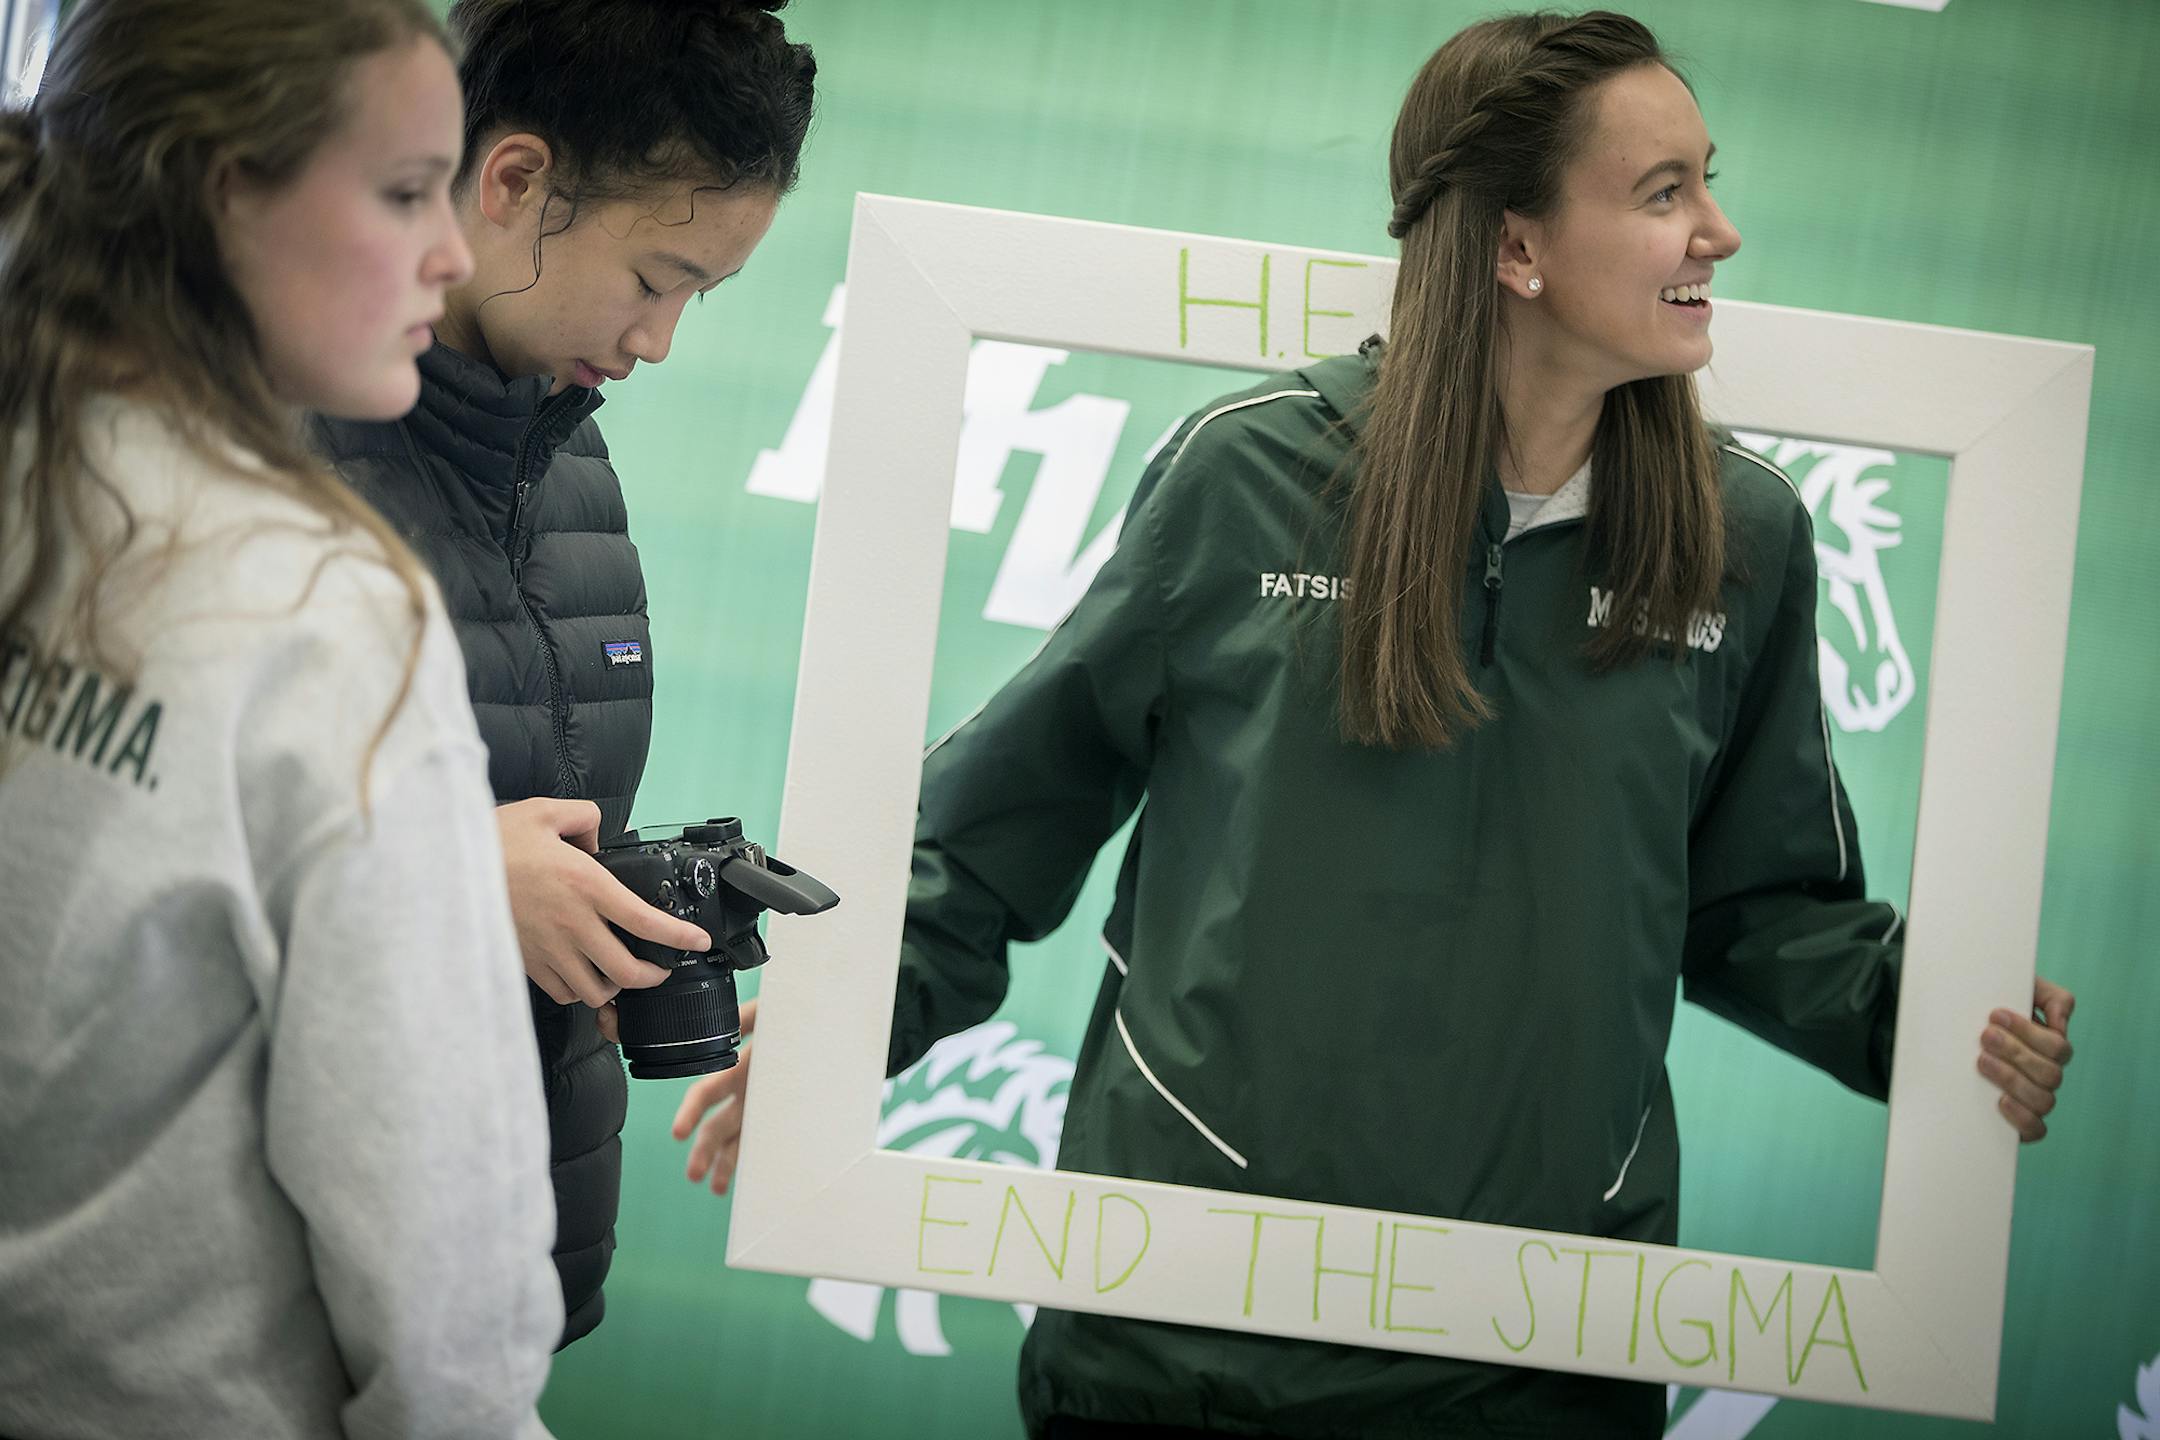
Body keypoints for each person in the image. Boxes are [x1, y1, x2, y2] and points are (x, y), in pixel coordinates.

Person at [673, 10, 2079, 1438]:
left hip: (1542, 1368)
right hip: (1178, 1357)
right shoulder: (1249, 474)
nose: (1718, 231)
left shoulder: (1743, 536)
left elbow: (1758, 899)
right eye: (1664, 194)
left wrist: (1941, 1019)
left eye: (1707, 180)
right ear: (1515, 250)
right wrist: (842, 1030)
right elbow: (997, 828)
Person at [0, 1, 563, 1435]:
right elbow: (445, 1277)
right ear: (220, 189)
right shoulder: (330, 615)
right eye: (401, 190)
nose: (452, 249)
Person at [311, 0, 816, 1349]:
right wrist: (453, 878)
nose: (661, 342)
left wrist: (616, 902)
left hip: (503, 1265)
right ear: (515, 180)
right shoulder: (263, 431)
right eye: (657, 279)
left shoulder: (569, 447)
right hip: (289, 1277)